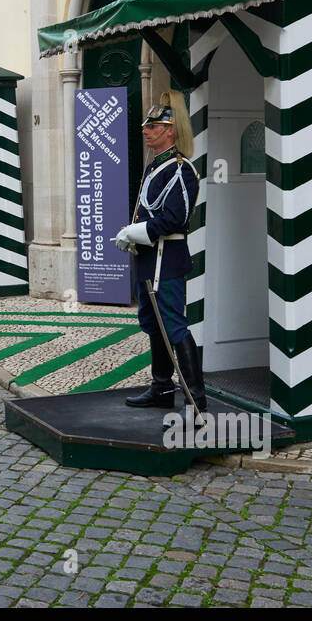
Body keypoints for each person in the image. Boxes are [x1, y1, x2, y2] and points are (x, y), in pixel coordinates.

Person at [112, 91, 205, 414]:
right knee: (153, 324)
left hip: (167, 258)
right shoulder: (157, 166)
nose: (145, 131)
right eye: (146, 126)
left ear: (170, 130)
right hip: (149, 257)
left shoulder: (180, 168)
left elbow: (174, 218)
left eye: (152, 126)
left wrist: (135, 231)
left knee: (174, 326)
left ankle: (196, 399)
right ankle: (162, 388)